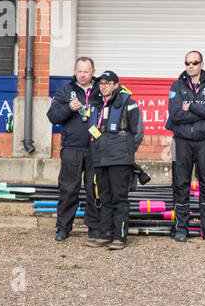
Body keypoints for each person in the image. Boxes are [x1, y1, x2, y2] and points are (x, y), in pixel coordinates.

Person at [166, 51, 205, 242]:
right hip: (182, 142)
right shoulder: (177, 85)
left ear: (201, 64)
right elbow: (175, 114)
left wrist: (192, 107)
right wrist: (203, 111)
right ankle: (181, 228)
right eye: (187, 62)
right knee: (180, 184)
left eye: (194, 62)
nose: (190, 65)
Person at [47, 57, 101, 242]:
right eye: (80, 71)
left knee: (95, 189)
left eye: (86, 71)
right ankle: (63, 228)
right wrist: (69, 108)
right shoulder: (65, 91)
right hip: (72, 148)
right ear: (74, 71)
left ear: (93, 71)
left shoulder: (102, 89)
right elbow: (52, 116)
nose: (83, 74)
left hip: (97, 148)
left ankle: (94, 227)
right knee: (68, 189)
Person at [89, 71, 142, 250]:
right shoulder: (95, 104)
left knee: (120, 198)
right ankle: (105, 234)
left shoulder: (129, 103)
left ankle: (120, 236)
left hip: (120, 159)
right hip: (100, 158)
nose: (103, 86)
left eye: (107, 83)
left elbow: (138, 133)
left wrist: (126, 152)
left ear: (116, 85)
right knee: (104, 197)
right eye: (101, 83)